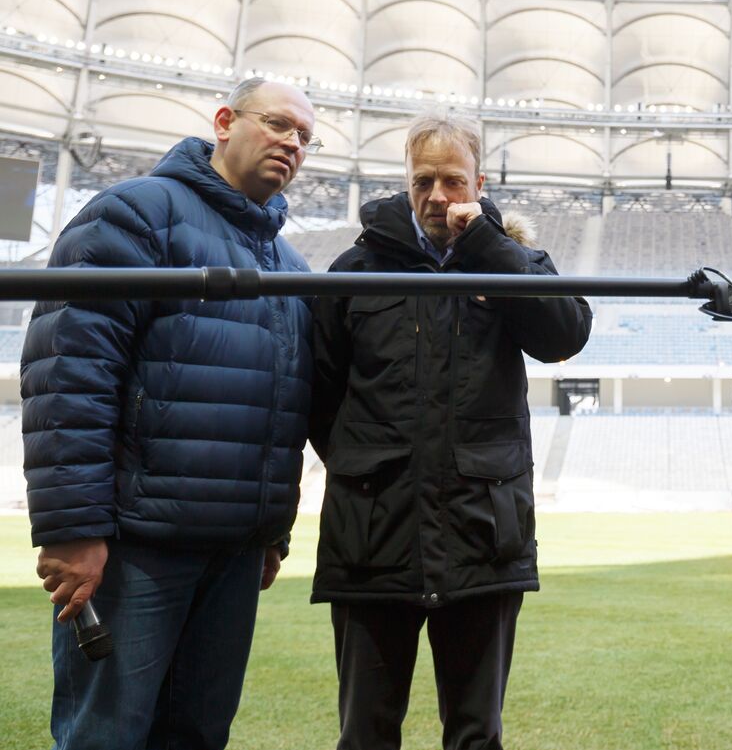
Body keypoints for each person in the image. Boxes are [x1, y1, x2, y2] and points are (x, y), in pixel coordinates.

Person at [22, 77, 320, 750]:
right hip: (136, 548)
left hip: (235, 555)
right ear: (223, 120)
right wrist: (73, 528)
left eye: (304, 136)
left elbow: (288, 405)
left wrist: (273, 533)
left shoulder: (291, 265)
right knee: (106, 735)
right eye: (278, 123)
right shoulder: (136, 212)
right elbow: (69, 371)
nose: (292, 143)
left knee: (196, 735)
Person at [309, 113, 592, 750]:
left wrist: (488, 246)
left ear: (480, 183)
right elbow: (321, 399)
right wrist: (371, 470)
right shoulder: (353, 269)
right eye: (423, 181)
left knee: (476, 734)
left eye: (453, 181)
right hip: (373, 540)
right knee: (365, 734)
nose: (438, 196)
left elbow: (565, 334)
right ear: (406, 184)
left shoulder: (515, 261)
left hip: (482, 536)